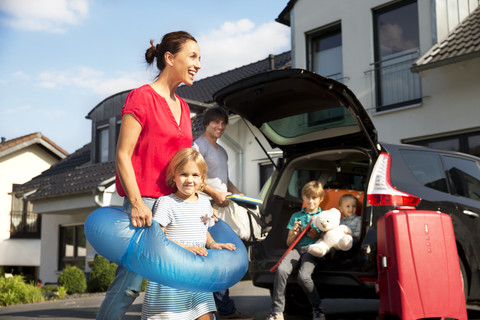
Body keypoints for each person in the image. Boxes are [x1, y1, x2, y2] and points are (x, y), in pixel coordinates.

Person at [96, 31, 201, 320]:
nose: (198, 64)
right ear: (169, 58)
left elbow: (185, 163)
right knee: (130, 283)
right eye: (192, 56)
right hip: (144, 202)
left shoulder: (184, 106)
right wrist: (137, 202)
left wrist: (198, 200)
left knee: (176, 282)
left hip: (175, 205)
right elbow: (122, 155)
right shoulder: (141, 97)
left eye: (199, 58)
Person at [141, 148, 236, 320]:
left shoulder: (205, 204)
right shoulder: (166, 203)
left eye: (195, 175)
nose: (189, 180)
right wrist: (186, 248)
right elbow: (157, 238)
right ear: (174, 176)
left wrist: (213, 243)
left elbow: (203, 230)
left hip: (197, 274)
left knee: (205, 315)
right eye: (184, 174)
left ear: (202, 179)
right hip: (171, 274)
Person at [193, 107, 252, 320]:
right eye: (215, 122)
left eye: (223, 123)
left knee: (224, 253)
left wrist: (238, 193)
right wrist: (215, 194)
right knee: (214, 254)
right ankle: (221, 309)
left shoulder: (223, 151)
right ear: (206, 124)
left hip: (223, 207)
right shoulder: (198, 146)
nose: (220, 127)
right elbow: (195, 179)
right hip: (205, 207)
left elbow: (224, 179)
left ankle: (222, 308)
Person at [266, 181, 326, 320]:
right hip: (296, 249)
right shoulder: (296, 216)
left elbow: (327, 237)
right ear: (303, 198)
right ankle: (277, 311)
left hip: (313, 250)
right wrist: (293, 233)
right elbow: (289, 242)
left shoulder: (322, 217)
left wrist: (317, 234)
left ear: (320, 199)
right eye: (308, 197)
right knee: (281, 271)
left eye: (314, 198)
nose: (311, 201)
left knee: (304, 277)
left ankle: (318, 309)